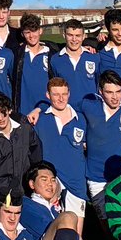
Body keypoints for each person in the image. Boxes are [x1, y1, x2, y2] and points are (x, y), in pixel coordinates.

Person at [79, 71, 121, 222]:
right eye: (109, 92)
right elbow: (66, 109)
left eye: (118, 91)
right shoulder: (88, 106)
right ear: (100, 92)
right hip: (96, 176)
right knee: (106, 223)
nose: (115, 97)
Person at [30, 79, 89, 223]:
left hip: (75, 181)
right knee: (48, 226)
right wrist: (38, 109)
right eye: (56, 94)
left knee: (75, 232)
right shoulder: (39, 119)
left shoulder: (81, 118)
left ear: (69, 94)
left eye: (64, 94)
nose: (61, 98)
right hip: (50, 179)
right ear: (48, 95)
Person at [49, 18, 102, 104]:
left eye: (78, 35)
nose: (74, 39)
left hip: (91, 111)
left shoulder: (94, 57)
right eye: (70, 35)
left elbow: (99, 83)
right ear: (64, 35)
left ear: (84, 36)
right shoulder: (55, 60)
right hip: (66, 111)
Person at [14, 13, 55, 116]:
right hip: (23, 113)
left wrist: (90, 44)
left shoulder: (52, 54)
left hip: (46, 111)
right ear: (23, 34)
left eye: (34, 31)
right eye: (27, 32)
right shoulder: (16, 55)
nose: (31, 36)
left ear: (40, 30)